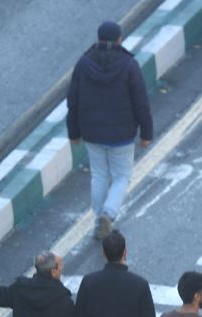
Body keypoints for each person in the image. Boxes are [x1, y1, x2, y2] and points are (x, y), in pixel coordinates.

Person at [67, 21, 153, 238]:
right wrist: (146, 133)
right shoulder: (128, 64)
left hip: (92, 133)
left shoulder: (84, 63)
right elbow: (141, 102)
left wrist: (74, 132)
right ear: (119, 40)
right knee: (122, 175)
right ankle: (109, 213)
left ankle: (98, 219)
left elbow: (73, 100)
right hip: (121, 134)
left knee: (99, 175)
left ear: (98, 39)